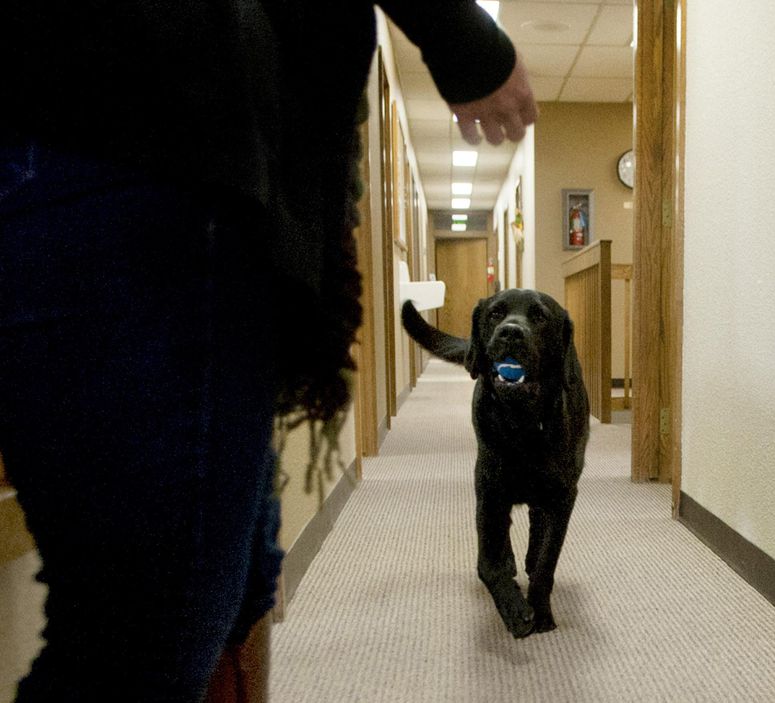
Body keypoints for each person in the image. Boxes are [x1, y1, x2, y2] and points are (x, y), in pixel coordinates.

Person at [0, 2, 537, 701]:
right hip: (146, 141)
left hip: (156, 162)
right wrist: (460, 37)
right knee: (149, 630)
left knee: (233, 591)